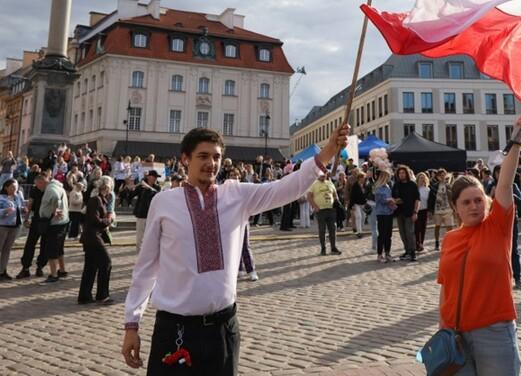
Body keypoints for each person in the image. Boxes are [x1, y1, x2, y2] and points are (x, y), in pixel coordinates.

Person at [121, 124, 350, 375]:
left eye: (216, 157)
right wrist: (132, 324)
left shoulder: (237, 195)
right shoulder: (163, 202)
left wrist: (328, 150)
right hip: (175, 331)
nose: (211, 163)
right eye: (203, 156)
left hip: (222, 330)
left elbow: (286, 188)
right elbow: (146, 267)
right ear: (185, 159)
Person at [437, 112, 521, 375]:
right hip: (455, 334)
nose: (474, 206)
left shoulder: (497, 226)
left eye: (479, 200)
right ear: (456, 207)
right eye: (467, 202)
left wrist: (516, 140)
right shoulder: (450, 239)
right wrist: (442, 326)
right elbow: (445, 286)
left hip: (494, 332)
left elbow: (505, 183)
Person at [78, 176, 114, 305]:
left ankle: (85, 296)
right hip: (93, 237)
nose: (108, 190)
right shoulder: (96, 200)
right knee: (106, 262)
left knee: (91, 267)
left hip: (91, 236)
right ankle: (102, 295)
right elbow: (94, 219)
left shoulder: (100, 200)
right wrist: (108, 221)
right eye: (108, 187)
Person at [0, 179, 25, 283]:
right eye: (12, 187)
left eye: (16, 187)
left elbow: (19, 207)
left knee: (7, 249)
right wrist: (5, 211)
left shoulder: (17, 196)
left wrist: (23, 209)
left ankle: (2, 272)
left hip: (14, 226)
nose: (15, 189)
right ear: (6, 187)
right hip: (1, 226)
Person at [16, 172, 49, 279]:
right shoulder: (34, 190)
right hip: (36, 219)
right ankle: (25, 267)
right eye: (37, 184)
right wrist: (26, 218)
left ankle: (40, 266)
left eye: (40, 184)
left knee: (45, 245)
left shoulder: (50, 189)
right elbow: (30, 204)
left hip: (47, 220)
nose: (38, 186)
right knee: (30, 244)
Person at [39, 174, 70, 283]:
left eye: (37, 184)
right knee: (59, 248)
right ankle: (62, 270)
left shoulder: (51, 188)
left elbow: (56, 197)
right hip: (62, 222)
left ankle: (54, 274)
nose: (38, 187)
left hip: (54, 224)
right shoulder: (58, 186)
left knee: (52, 249)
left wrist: (55, 209)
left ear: (41, 182)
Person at [307, 168, 342, 256]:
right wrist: (315, 207)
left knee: (333, 229)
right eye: (321, 174)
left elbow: (335, 195)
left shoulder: (330, 183)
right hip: (320, 210)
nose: (323, 176)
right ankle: (323, 248)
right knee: (322, 230)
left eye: (324, 174)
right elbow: (309, 196)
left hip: (331, 210)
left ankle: (333, 247)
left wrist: (336, 203)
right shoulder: (314, 184)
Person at [392, 166, 419, 262]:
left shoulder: (412, 185)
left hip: (410, 212)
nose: (401, 175)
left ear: (406, 173)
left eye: (403, 173)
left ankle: (413, 252)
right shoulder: (396, 185)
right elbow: (393, 198)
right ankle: (407, 251)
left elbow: (417, 199)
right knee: (402, 233)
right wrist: (395, 201)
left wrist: (415, 212)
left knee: (410, 232)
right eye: (400, 173)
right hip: (399, 213)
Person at [133, 170, 161, 252]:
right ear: (149, 177)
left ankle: (149, 252)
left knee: (151, 236)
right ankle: (139, 253)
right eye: (154, 176)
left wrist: (149, 189)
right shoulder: (141, 186)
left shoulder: (157, 187)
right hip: (141, 214)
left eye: (156, 177)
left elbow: (157, 195)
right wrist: (130, 187)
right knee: (140, 237)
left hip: (152, 215)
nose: (155, 178)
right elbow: (131, 194)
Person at [429, 169, 454, 251]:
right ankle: (436, 243)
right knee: (437, 226)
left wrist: (454, 208)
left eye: (444, 175)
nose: (442, 177)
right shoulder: (434, 186)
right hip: (437, 210)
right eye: (441, 175)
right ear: (437, 177)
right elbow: (430, 199)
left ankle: (450, 243)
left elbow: (453, 197)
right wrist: (430, 211)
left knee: (450, 227)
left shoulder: (449, 185)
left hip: (448, 209)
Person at [373, 170, 394, 263]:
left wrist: (393, 203)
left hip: (389, 212)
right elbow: (380, 200)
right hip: (381, 213)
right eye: (388, 176)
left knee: (389, 235)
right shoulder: (378, 187)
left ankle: (387, 253)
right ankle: (379, 254)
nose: (389, 178)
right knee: (382, 234)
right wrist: (390, 201)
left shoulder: (388, 187)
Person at [348, 172, 367, 238]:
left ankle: (361, 229)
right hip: (356, 204)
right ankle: (359, 232)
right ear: (359, 178)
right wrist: (352, 205)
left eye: (364, 178)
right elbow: (352, 196)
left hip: (363, 203)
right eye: (363, 178)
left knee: (363, 217)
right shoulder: (355, 186)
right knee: (358, 217)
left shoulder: (364, 185)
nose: (364, 179)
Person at [415, 172, 430, 252]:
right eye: (421, 178)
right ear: (417, 179)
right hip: (416, 211)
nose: (422, 179)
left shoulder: (427, 189)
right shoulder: (415, 189)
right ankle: (417, 244)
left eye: (423, 178)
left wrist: (430, 211)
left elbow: (430, 201)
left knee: (423, 228)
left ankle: (421, 244)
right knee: (417, 228)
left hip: (425, 210)